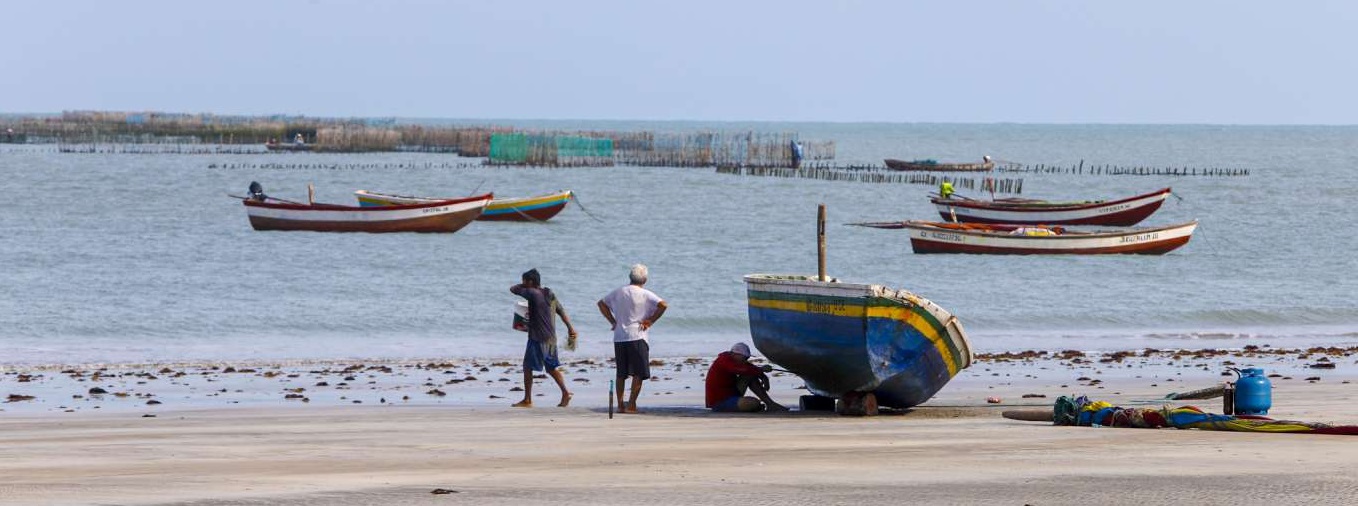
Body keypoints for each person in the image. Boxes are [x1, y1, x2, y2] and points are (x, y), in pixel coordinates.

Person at [597, 264, 666, 414]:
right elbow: (663, 305)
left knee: (621, 373)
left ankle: (620, 405)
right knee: (639, 373)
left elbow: (601, 304)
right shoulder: (645, 293)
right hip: (638, 336)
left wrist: (613, 321)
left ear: (630, 277)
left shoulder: (618, 292)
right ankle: (632, 404)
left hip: (620, 337)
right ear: (645, 279)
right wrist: (651, 320)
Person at [509, 268, 577, 408]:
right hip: (551, 338)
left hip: (537, 338)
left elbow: (513, 289)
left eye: (524, 281)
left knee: (527, 366)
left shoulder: (531, 292)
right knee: (551, 368)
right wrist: (570, 327)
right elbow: (561, 310)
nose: (523, 283)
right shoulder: (549, 293)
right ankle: (565, 393)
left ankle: (527, 399)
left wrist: (522, 285)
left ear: (530, 282)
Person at [705, 343, 787, 412]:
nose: (745, 361)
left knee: (749, 375)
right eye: (744, 358)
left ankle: (770, 404)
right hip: (720, 402)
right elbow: (741, 369)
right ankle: (755, 407)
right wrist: (761, 370)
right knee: (753, 403)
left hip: (731, 394)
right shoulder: (724, 360)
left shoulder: (733, 359)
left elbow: (749, 368)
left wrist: (762, 376)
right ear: (735, 354)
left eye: (747, 358)